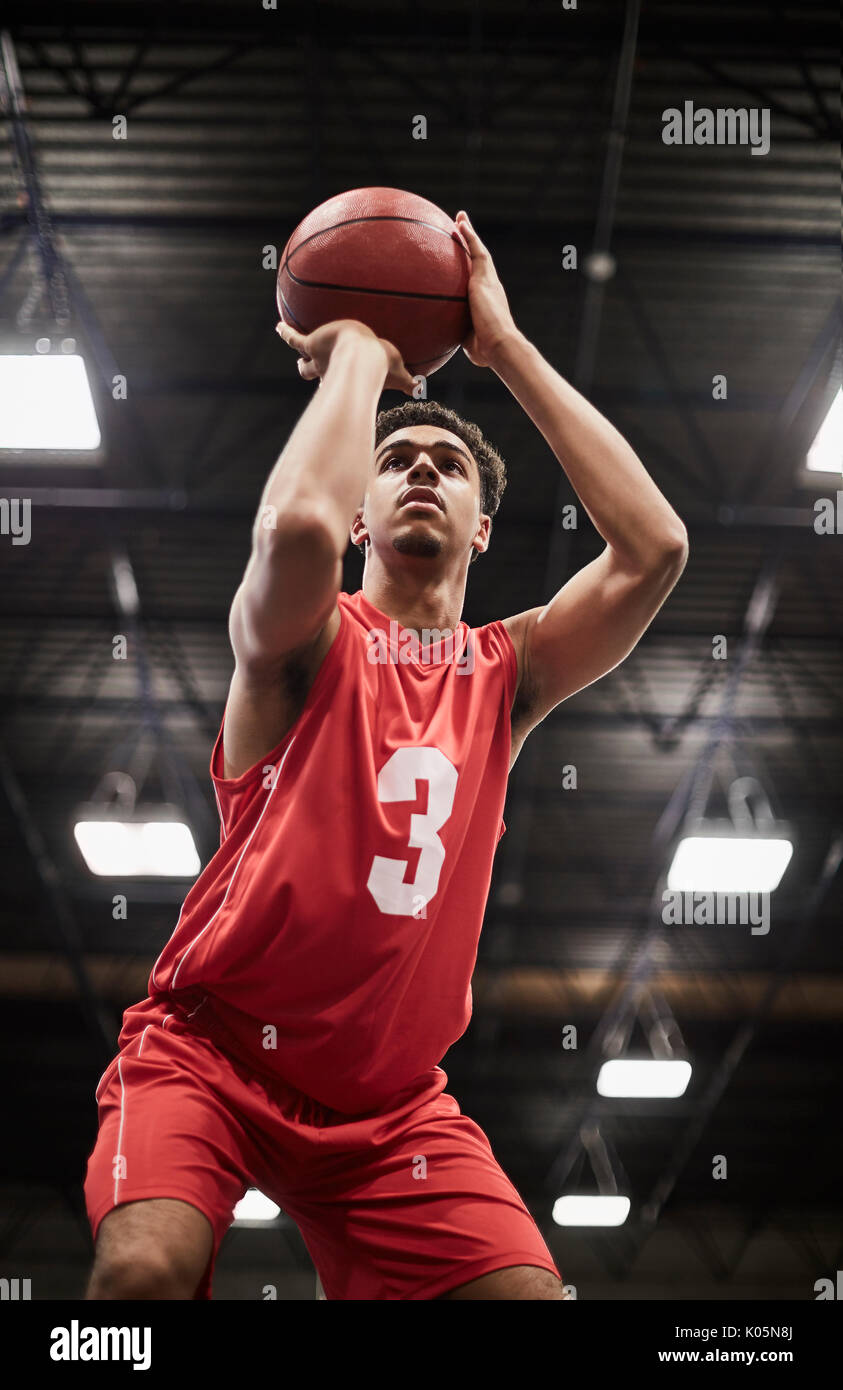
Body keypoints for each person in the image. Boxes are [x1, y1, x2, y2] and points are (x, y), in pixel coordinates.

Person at [83, 211, 688, 1301]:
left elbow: (655, 548)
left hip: (389, 1106)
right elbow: (293, 538)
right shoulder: (303, 643)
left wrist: (502, 347)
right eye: (396, 460)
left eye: (449, 465)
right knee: (142, 1275)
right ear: (363, 513)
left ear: (484, 525)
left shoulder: (508, 675)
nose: (420, 470)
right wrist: (360, 349)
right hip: (210, 1052)